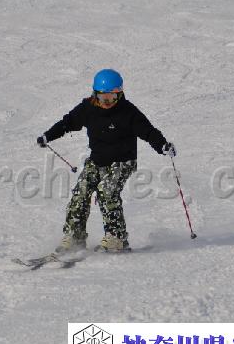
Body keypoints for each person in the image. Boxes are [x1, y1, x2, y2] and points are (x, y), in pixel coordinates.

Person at [36, 69, 176, 253]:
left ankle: (116, 238)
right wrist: (48, 136)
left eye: (112, 97)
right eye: (103, 98)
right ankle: (75, 236)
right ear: (95, 94)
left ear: (119, 94)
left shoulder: (128, 112)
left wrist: (162, 145)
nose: (107, 102)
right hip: (98, 159)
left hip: (123, 161)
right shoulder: (88, 108)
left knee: (107, 191)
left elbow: (148, 131)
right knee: (80, 192)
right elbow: (67, 122)